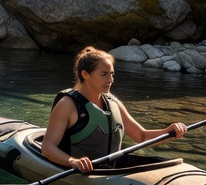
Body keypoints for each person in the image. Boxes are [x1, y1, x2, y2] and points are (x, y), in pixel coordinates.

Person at [43, 47, 187, 172]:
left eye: (112, 73)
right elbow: (47, 147)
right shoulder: (67, 104)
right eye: (104, 74)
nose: (110, 79)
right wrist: (72, 162)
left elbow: (141, 136)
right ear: (85, 75)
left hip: (112, 170)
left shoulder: (113, 102)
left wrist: (169, 132)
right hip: (78, 171)